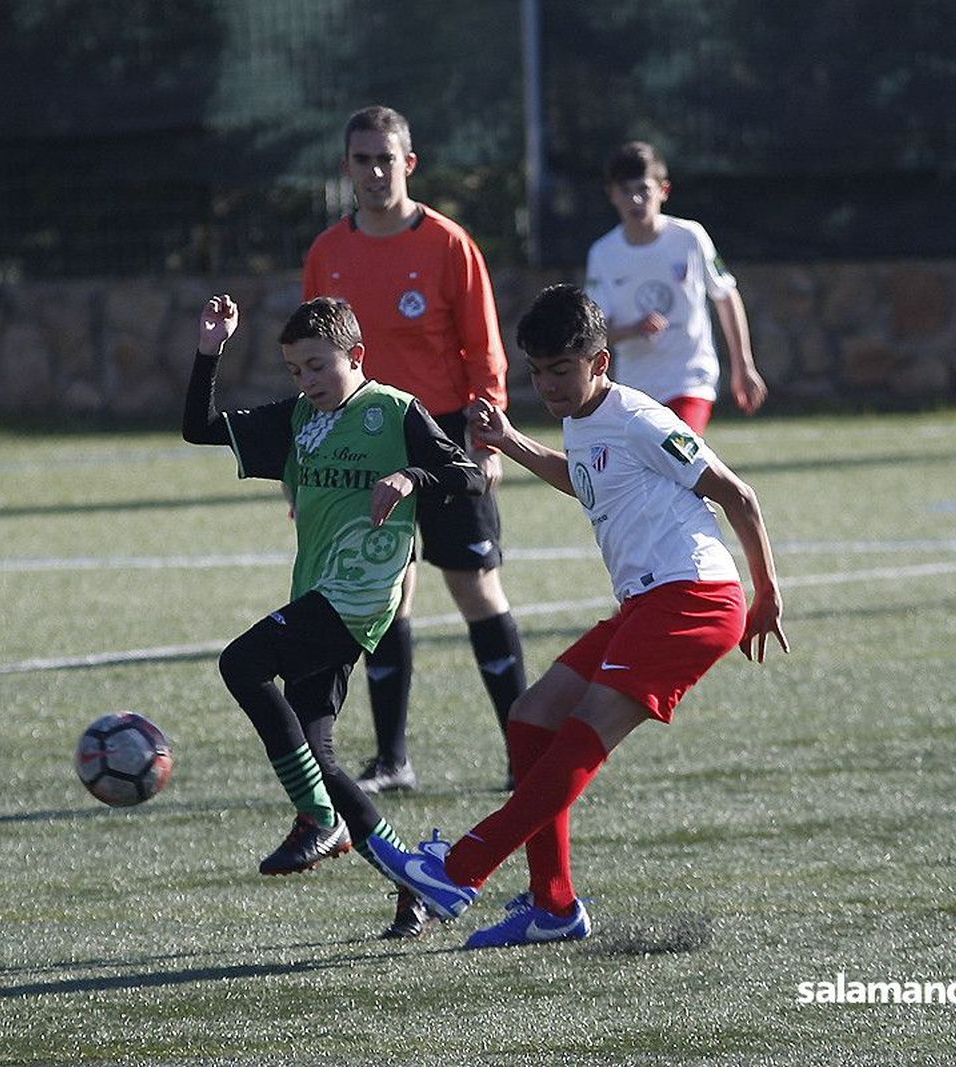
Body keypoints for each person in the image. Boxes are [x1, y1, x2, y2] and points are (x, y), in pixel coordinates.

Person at [365, 284, 789, 950]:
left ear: (600, 362)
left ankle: (458, 870)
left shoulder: (639, 417)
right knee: (532, 716)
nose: (548, 384)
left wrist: (765, 591)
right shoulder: (584, 420)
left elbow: (738, 493)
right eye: (537, 371)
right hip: (649, 602)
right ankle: (553, 904)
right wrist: (510, 442)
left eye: (561, 369)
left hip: (694, 599)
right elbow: (586, 478)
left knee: (579, 734)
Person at [181, 294, 485, 940]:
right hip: (316, 595)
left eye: (318, 366)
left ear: (356, 356)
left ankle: (319, 820)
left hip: (361, 597)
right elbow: (199, 426)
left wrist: (409, 476)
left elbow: (466, 476)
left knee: (241, 662)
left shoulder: (394, 411)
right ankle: (414, 885)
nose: (308, 381)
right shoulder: (299, 420)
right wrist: (211, 350)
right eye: (296, 370)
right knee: (319, 756)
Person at [303, 104, 527, 795]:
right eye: (362, 158)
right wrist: (311, 453)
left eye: (386, 158)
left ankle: (526, 753)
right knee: (383, 595)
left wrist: (487, 439)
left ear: (409, 163)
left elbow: (483, 348)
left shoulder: (448, 244)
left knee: (475, 588)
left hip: (444, 435)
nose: (375, 170)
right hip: (366, 442)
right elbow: (316, 360)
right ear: (347, 167)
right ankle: (393, 759)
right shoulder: (327, 253)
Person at [583, 140, 767, 433]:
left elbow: (725, 294)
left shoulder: (690, 237)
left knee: (677, 459)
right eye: (625, 191)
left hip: (690, 380)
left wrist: (743, 365)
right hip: (636, 389)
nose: (636, 201)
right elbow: (595, 334)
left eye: (643, 189)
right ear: (611, 195)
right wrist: (633, 329)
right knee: (654, 476)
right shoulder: (603, 254)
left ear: (663, 190)